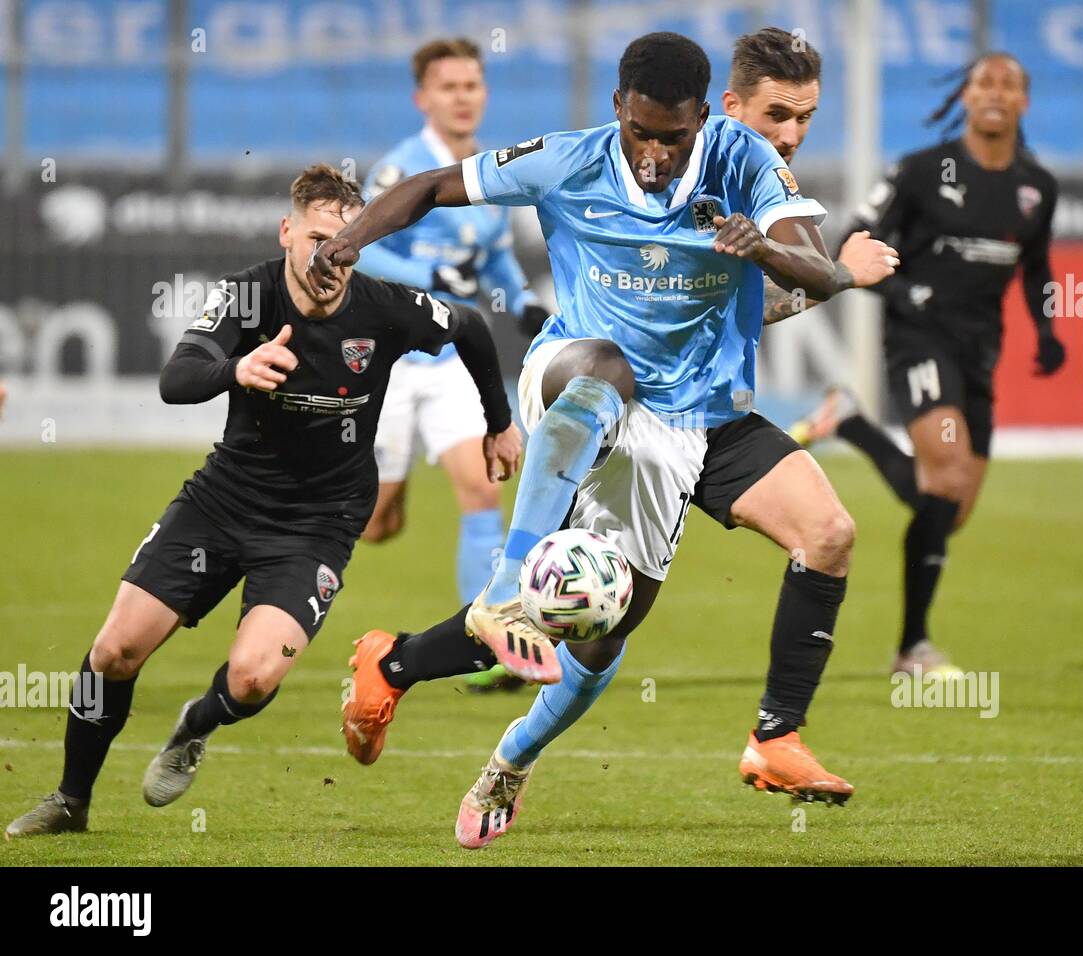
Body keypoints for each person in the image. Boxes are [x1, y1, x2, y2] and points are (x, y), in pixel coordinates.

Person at [308, 32, 897, 848]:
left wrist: (765, 246)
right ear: (619, 107)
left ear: (703, 119)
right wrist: (344, 245)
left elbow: (809, 266)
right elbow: (433, 186)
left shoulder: (746, 164)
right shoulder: (571, 158)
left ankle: (748, 738)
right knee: (605, 371)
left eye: (673, 137)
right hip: (573, 370)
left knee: (638, 615)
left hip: (694, 417)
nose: (655, 155)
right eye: (642, 132)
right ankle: (509, 583)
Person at [4, 164, 521, 839]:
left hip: (318, 524)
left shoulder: (385, 308)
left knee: (251, 681)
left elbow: (473, 327)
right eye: (315, 238)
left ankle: (197, 723)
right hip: (223, 502)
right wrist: (237, 369)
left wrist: (499, 422)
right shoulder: (246, 299)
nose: (329, 255)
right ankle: (72, 799)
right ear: (286, 232)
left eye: (345, 242)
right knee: (114, 651)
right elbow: (176, 379)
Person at [789, 51, 1065, 675]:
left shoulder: (1036, 187)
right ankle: (913, 647)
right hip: (918, 340)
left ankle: (850, 424)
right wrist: (904, 290)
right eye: (984, 81)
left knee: (952, 509)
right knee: (944, 479)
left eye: (1010, 83)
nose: (996, 92)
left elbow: (1038, 265)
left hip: (979, 352)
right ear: (964, 97)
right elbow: (852, 241)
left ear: (1024, 101)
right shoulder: (920, 171)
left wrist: (1047, 329)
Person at [692, 27, 897, 801]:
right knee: (572, 630)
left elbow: (750, 306)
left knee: (829, 532)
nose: (792, 134)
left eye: (806, 116)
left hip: (716, 422)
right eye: (777, 114)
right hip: (633, 424)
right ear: (729, 105)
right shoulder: (682, 173)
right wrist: (842, 274)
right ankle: (397, 661)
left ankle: (776, 737)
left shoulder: (768, 189)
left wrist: (827, 276)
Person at [358, 37, 549, 692]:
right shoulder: (400, 169)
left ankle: (486, 642)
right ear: (424, 98)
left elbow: (493, 252)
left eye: (472, 85)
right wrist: (427, 271)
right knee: (378, 523)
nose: (462, 97)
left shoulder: (488, 170)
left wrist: (522, 300)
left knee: (483, 487)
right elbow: (360, 246)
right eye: (449, 87)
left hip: (447, 362)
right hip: (388, 363)